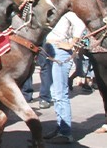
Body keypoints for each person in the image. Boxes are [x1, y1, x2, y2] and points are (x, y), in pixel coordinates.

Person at [44, 11, 86, 144]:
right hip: (51, 49)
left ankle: (66, 133)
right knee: (55, 92)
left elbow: (80, 24)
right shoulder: (54, 9)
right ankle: (60, 127)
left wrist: (71, 43)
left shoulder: (67, 12)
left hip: (60, 51)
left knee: (60, 92)